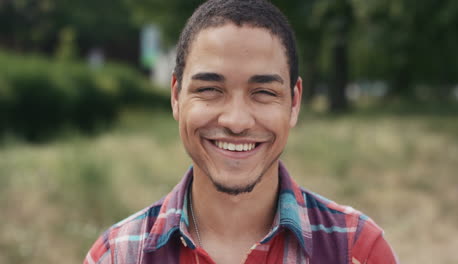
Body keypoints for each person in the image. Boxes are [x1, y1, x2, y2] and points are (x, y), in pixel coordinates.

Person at [84, 0, 399, 263]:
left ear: (294, 102)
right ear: (177, 97)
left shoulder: (356, 250)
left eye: (263, 92)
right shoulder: (118, 255)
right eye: (210, 89)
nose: (236, 121)